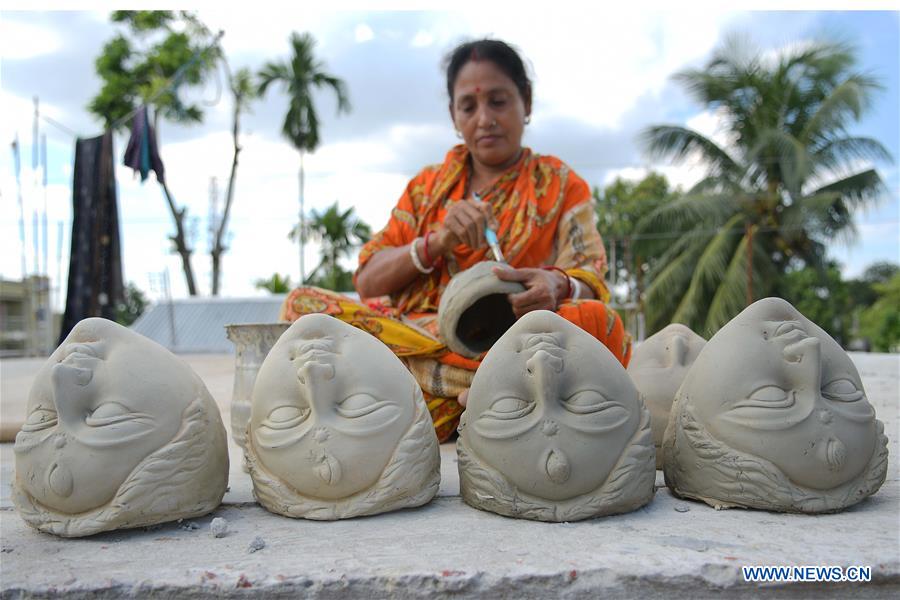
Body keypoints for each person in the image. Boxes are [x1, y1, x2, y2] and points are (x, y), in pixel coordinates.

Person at [281, 39, 631, 442]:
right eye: (469, 107)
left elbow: (590, 273)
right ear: (453, 115)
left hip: (519, 340)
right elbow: (369, 282)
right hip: (422, 335)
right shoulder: (427, 188)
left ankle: (417, 395)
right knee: (303, 307)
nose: (484, 119)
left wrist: (557, 284)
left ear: (527, 102)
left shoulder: (560, 184)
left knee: (599, 324)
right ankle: (501, 393)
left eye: (498, 102)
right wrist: (436, 241)